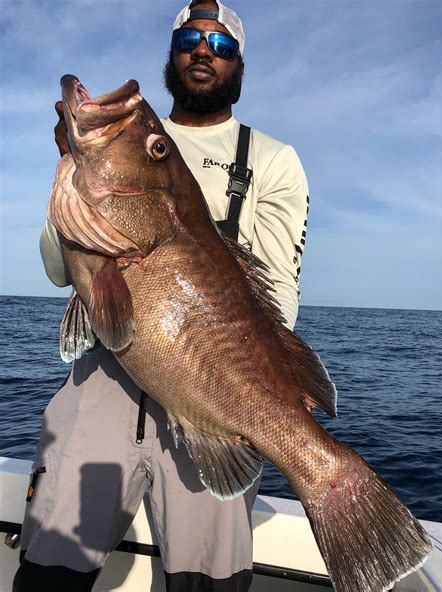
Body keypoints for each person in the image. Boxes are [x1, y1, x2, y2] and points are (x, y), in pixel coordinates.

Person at [13, 1, 309, 590]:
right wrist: (71, 168)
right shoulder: (116, 141)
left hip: (214, 389)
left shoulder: (274, 161)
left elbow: (276, 295)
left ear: (239, 66)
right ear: (173, 53)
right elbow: (55, 269)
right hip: (102, 374)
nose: (204, 51)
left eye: (221, 46)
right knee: (47, 573)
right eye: (191, 39)